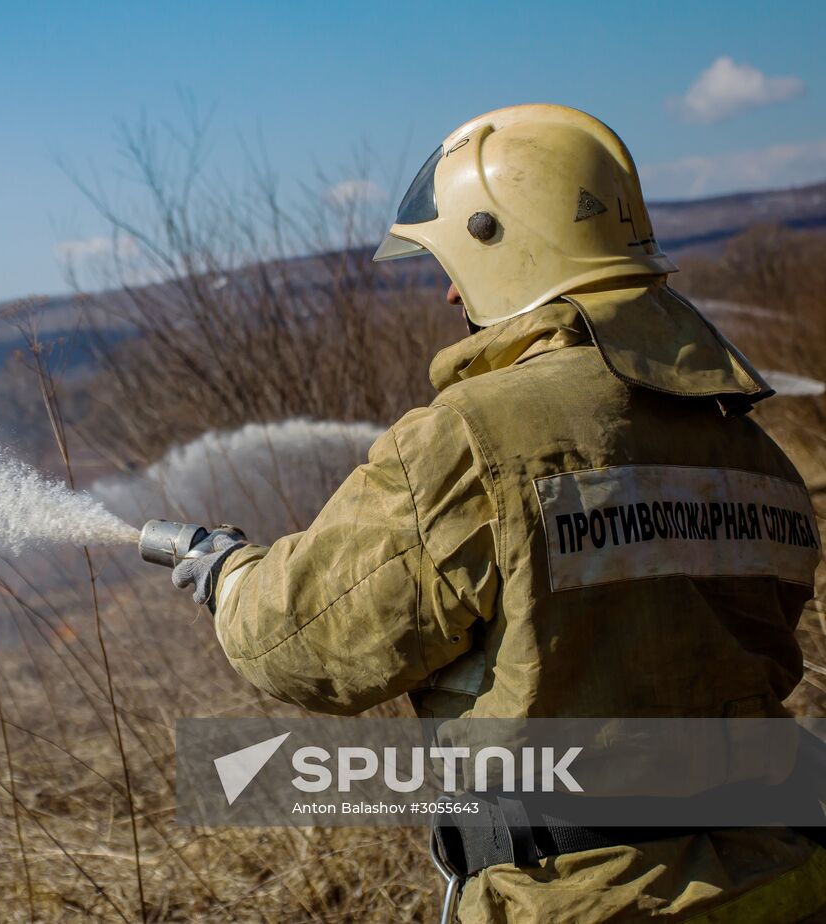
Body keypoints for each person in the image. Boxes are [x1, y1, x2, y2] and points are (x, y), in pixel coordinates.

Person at [170, 104, 826, 922]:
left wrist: (229, 576)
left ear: (505, 246)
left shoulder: (471, 440)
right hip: (783, 878)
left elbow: (300, 642)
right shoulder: (754, 452)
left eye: (455, 261)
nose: (448, 291)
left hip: (585, 901)